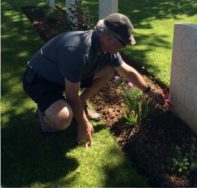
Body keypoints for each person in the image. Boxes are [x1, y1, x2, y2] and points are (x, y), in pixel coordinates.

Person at [23, 13, 164, 147]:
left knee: (109, 70)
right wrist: (83, 124)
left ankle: (81, 104)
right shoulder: (77, 51)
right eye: (124, 43)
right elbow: (71, 96)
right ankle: (44, 114)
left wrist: (149, 92)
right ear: (109, 39)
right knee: (63, 119)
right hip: (40, 80)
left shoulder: (106, 48)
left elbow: (127, 71)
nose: (124, 47)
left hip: (63, 77)